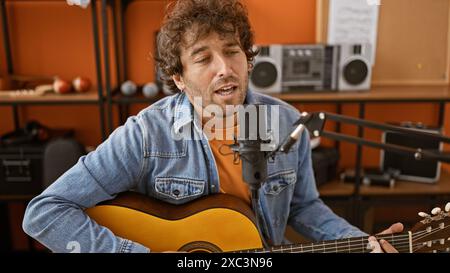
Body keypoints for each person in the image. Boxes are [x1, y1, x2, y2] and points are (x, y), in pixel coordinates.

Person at [22, 0, 403, 253]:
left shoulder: (285, 122)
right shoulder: (145, 135)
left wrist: (361, 242)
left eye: (233, 51)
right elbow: (45, 211)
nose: (225, 68)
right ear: (179, 78)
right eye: (204, 58)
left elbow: (304, 207)